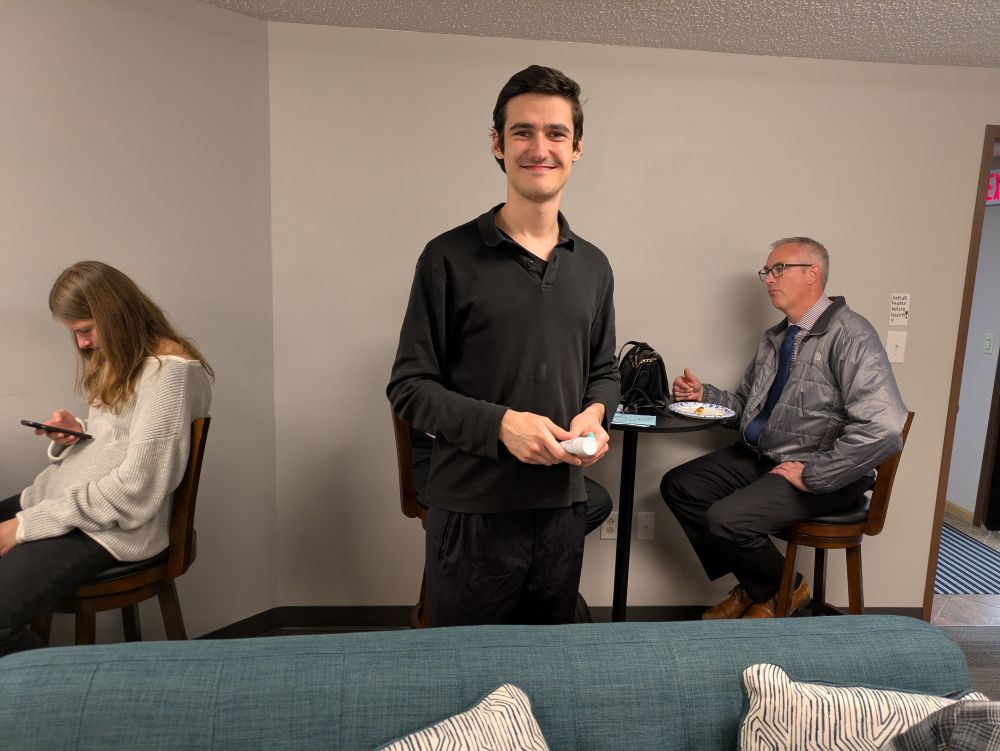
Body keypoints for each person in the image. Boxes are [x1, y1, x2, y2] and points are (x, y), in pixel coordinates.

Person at [387, 65, 619, 626]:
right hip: (471, 513)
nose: (540, 148)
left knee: (547, 675)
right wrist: (501, 426)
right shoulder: (447, 257)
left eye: (556, 134)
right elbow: (409, 387)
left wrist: (596, 411)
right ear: (498, 144)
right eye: (523, 132)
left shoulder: (593, 266)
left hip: (562, 509)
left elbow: (605, 370)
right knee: (463, 684)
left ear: (577, 147)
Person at [660, 237, 907, 619]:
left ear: (813, 274)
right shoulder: (776, 338)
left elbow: (885, 427)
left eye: (779, 269)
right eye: (766, 271)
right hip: (767, 456)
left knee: (726, 520)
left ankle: (776, 591)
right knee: (681, 486)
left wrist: (815, 474)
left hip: (822, 469)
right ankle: (769, 587)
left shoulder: (852, 335)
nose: (768, 279)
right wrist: (702, 395)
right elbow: (746, 408)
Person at [0, 261, 213, 655]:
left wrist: (26, 526)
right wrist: (75, 434)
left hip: (111, 527)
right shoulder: (128, 358)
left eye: (84, 330)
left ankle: (66, 703)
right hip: (62, 502)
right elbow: (119, 441)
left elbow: (136, 488)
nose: (81, 344)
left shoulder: (170, 375)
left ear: (115, 314)